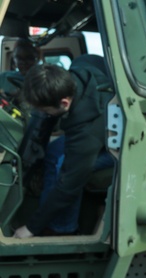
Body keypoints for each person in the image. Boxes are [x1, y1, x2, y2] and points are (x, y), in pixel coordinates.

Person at [13, 55, 115, 238]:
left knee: (63, 168)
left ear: (64, 103)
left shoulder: (85, 132)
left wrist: (31, 227)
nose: (43, 113)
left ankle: (62, 229)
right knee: (53, 152)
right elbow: (45, 120)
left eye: (45, 110)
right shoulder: (81, 66)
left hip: (120, 147)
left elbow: (69, 184)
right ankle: (52, 218)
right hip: (102, 128)